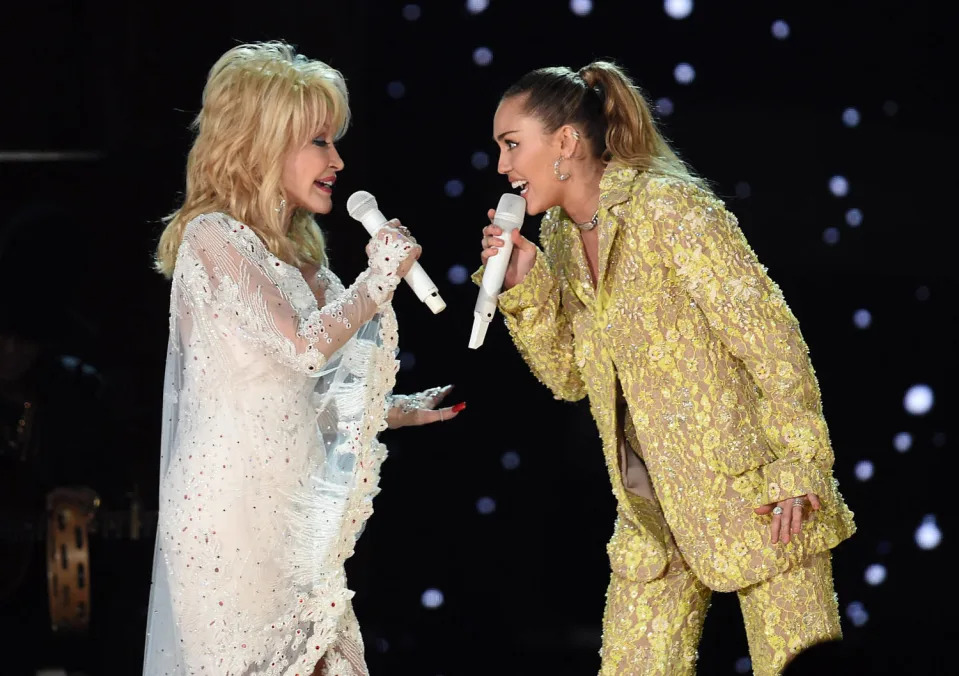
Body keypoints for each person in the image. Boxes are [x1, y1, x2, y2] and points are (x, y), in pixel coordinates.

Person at [479, 62, 855, 675]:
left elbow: (774, 342)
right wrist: (527, 292)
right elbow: (570, 379)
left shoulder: (669, 208)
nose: (502, 167)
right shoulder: (561, 238)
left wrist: (798, 464)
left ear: (566, 142)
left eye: (512, 145)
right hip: (650, 518)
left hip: (763, 497)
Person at [144, 41, 462, 676]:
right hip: (231, 520)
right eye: (320, 141)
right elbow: (302, 346)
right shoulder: (214, 238)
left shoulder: (297, 253)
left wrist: (390, 410)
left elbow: (308, 392)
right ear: (263, 143)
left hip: (291, 517)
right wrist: (377, 281)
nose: (338, 160)